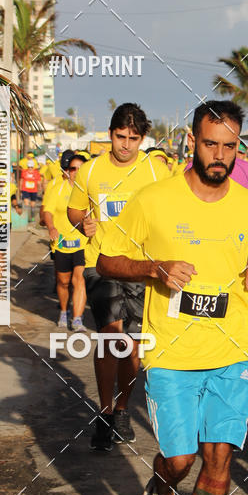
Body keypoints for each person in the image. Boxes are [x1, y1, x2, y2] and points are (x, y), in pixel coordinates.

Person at [97, 99, 248, 495]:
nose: (219, 154)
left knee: (219, 457)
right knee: (179, 460)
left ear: (237, 148)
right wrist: (153, 268)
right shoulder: (154, 199)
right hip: (172, 354)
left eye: (229, 146)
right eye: (210, 144)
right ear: (192, 142)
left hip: (233, 351)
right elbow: (107, 260)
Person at [67, 104, 169, 450]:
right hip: (103, 263)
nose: (126, 145)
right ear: (110, 134)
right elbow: (74, 209)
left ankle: (123, 409)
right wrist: (83, 223)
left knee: (133, 345)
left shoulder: (155, 170)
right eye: (120, 137)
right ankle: (105, 411)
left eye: (134, 139)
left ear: (143, 139)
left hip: (142, 267)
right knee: (111, 336)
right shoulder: (91, 170)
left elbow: (173, 207)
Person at [42, 151, 88, 331]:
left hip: (83, 242)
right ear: (67, 171)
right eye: (73, 169)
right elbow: (47, 211)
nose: (76, 172)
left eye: (80, 169)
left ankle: (77, 318)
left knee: (79, 280)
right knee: (63, 282)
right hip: (61, 242)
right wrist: (51, 227)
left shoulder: (89, 190)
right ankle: (63, 311)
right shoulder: (58, 188)